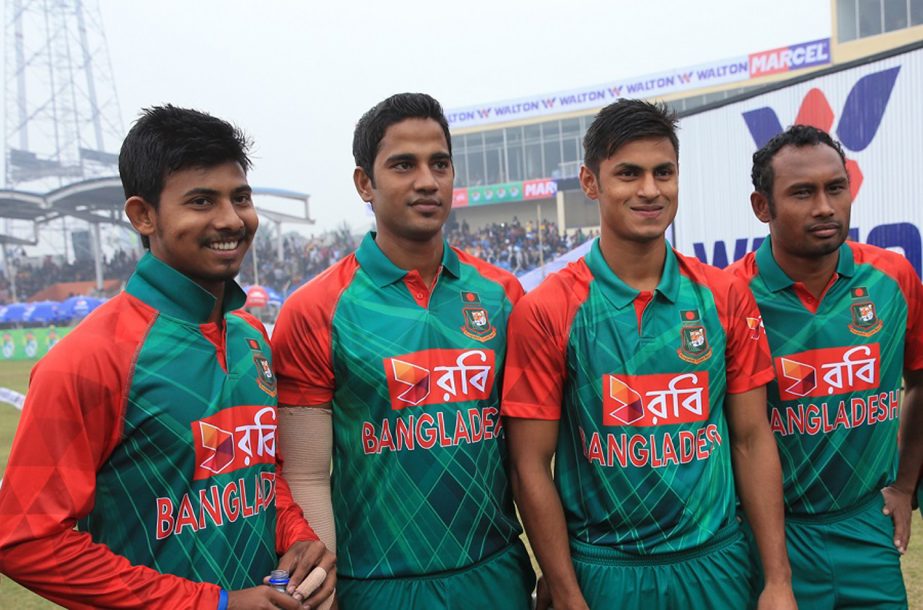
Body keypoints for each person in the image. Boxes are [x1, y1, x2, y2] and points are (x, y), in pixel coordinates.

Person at [0, 105, 335, 610]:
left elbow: (264, 476)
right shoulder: (88, 358)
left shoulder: (249, 336)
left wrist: (298, 538)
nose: (230, 219)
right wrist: (217, 604)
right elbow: (26, 539)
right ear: (143, 215)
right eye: (201, 201)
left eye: (239, 197)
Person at [501, 98, 795, 610]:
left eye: (664, 172)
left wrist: (777, 580)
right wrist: (568, 592)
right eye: (628, 173)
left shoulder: (724, 295)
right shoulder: (547, 308)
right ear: (590, 182)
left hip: (716, 564)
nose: (650, 190)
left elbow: (751, 438)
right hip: (605, 571)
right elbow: (530, 465)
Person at [272, 92, 535, 609]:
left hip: (494, 575)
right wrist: (322, 582)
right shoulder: (314, 309)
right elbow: (303, 471)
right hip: (376, 585)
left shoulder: (503, 295)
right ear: (364, 183)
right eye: (403, 165)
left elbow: (530, 455)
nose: (427, 181)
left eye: (439, 164)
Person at [728, 124, 923, 609]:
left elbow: (920, 380)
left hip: (866, 525)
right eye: (802, 192)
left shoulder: (892, 278)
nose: (824, 206)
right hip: (770, 535)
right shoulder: (727, 296)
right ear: (762, 207)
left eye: (836, 187)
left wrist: (904, 485)